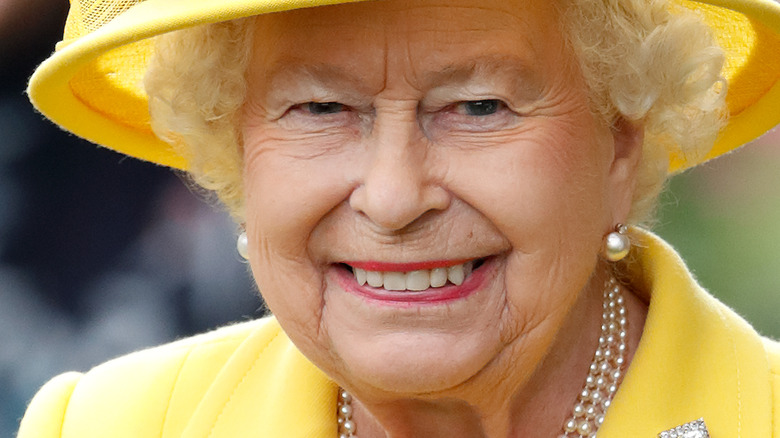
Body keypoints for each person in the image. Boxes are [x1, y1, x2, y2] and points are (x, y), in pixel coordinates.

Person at [17, 0, 780, 436]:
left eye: (478, 106)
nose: (392, 196)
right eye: (320, 108)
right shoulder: (110, 426)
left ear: (620, 141)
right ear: (235, 150)